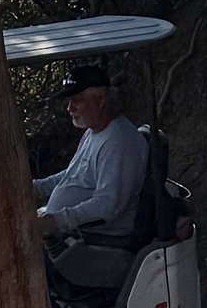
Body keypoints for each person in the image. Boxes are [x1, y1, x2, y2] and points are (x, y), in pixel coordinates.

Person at [36, 61, 150, 242]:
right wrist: (35, 188)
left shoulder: (119, 142)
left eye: (76, 100)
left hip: (96, 239)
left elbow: (107, 206)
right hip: (73, 233)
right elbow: (74, 175)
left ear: (101, 100)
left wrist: (56, 221)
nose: (70, 108)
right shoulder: (94, 131)